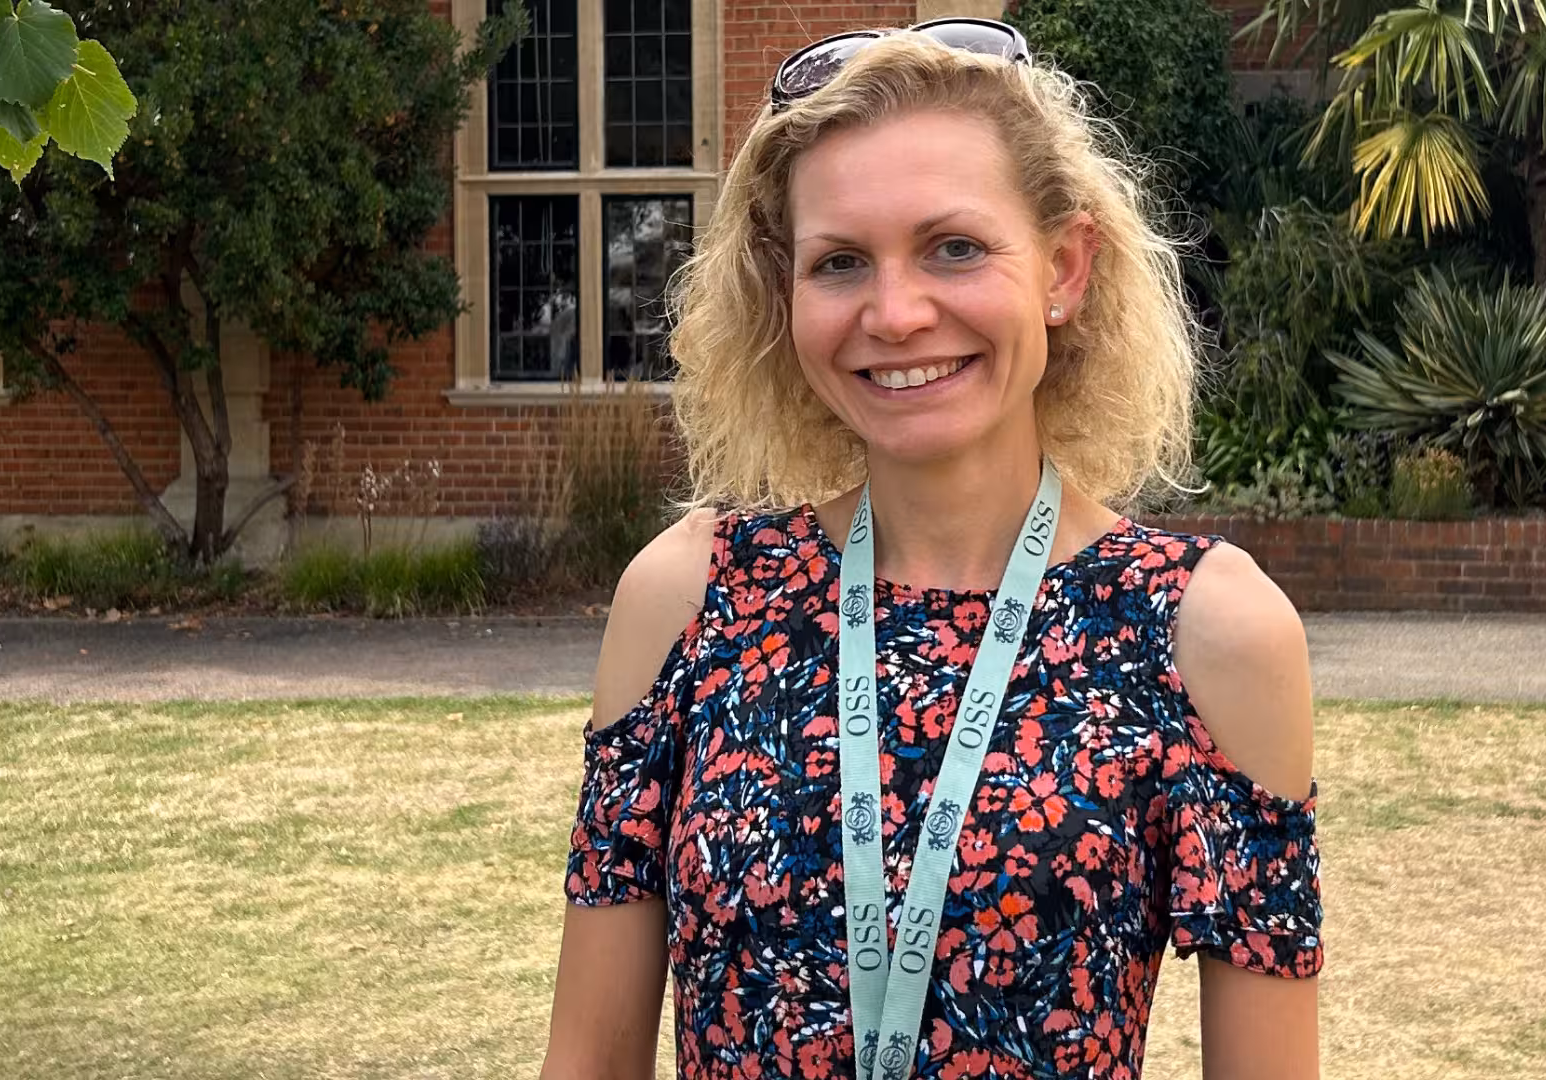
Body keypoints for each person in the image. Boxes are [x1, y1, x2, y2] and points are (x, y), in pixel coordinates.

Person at [541, 18, 1322, 1080]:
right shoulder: (690, 597)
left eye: (954, 247)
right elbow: (587, 1063)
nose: (895, 312)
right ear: (787, 296)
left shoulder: (1205, 632)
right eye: (840, 262)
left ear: (1064, 267)